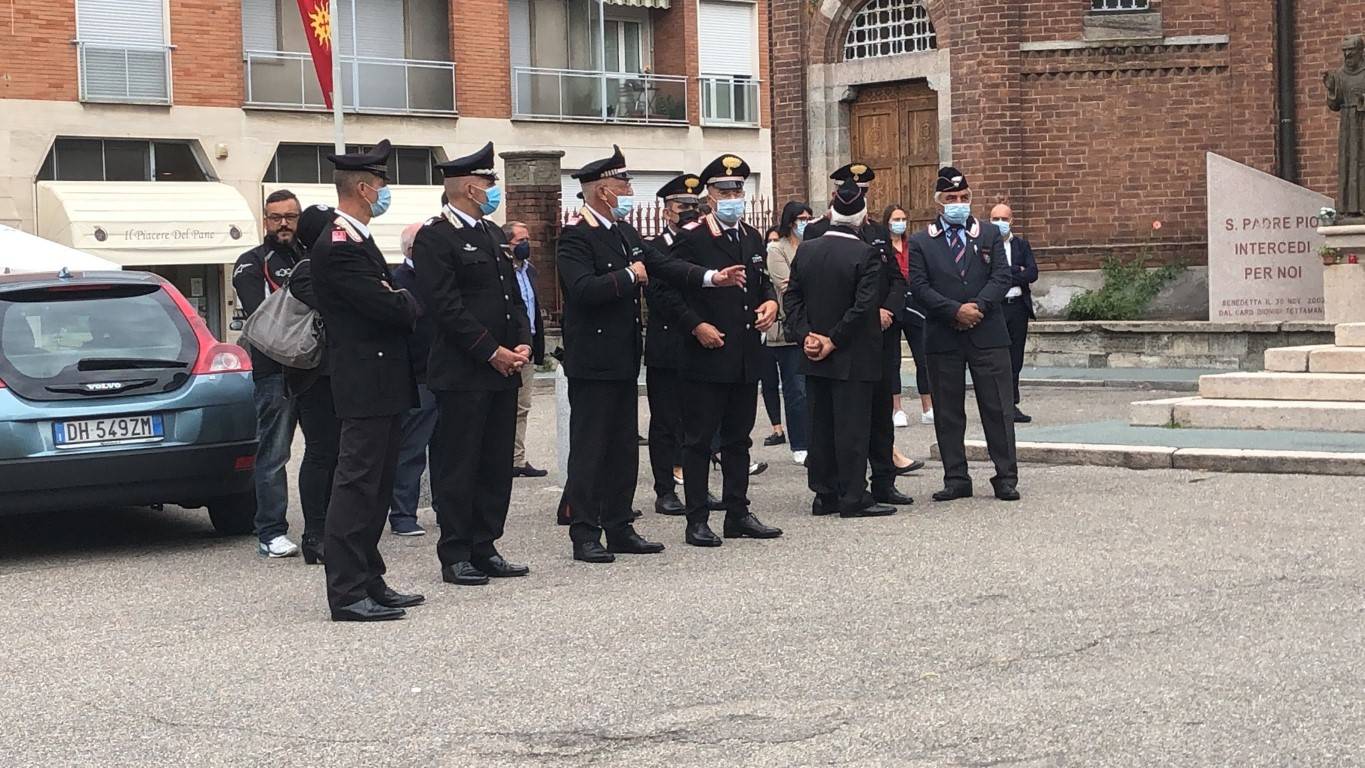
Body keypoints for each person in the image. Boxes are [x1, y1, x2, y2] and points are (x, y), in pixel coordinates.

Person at [556, 146, 744, 562]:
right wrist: (626, 275)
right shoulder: (576, 234)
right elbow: (583, 290)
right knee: (591, 447)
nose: (628, 190)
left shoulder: (622, 231)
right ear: (604, 191)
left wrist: (713, 277)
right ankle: (585, 531)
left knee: (623, 446)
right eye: (623, 184)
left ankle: (619, 526)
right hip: (593, 360)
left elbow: (664, 265)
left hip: (623, 357)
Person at [310, 139, 426, 621]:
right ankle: (346, 590)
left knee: (376, 486)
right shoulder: (339, 244)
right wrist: (399, 298)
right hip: (363, 381)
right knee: (356, 485)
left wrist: (396, 296)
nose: (385, 192)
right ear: (363, 187)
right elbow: (390, 306)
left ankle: (369, 576)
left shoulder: (358, 239)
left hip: (383, 379)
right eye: (381, 184)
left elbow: (394, 297)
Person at [413, 141, 532, 587]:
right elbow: (445, 308)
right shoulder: (435, 236)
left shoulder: (492, 233)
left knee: (494, 463)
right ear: (468, 187)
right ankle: (456, 550)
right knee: (458, 464)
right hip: (464, 372)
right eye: (488, 183)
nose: (492, 191)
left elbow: (511, 298)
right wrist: (491, 351)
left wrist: (522, 342)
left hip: (504, 369)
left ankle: (486, 544)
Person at [667, 153, 784, 547]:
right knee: (699, 439)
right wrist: (695, 325)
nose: (733, 195)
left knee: (739, 438)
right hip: (705, 352)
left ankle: (738, 512)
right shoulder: (692, 237)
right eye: (724, 190)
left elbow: (761, 280)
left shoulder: (750, 236)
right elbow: (665, 291)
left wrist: (770, 302)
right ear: (709, 196)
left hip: (745, 353)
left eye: (738, 189)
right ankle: (697, 518)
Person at [907, 167, 1019, 503]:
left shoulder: (988, 234)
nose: (958, 203)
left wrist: (976, 307)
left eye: (963, 198)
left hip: (987, 332)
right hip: (944, 333)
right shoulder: (921, 241)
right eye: (951, 199)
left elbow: (1002, 277)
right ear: (939, 203)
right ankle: (956, 477)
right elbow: (919, 285)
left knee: (998, 408)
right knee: (947, 410)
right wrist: (954, 310)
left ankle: (1006, 477)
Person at [784, 180, 895, 518]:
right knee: (852, 427)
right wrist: (833, 339)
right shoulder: (866, 254)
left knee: (821, 426)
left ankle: (823, 493)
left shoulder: (807, 249)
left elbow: (792, 297)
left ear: (831, 213)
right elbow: (864, 307)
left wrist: (807, 335)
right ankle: (852, 496)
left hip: (814, 352)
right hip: (851, 354)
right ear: (862, 218)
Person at [811, 163, 915, 506]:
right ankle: (836, 487)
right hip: (835, 342)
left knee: (879, 414)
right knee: (832, 418)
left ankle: (883, 479)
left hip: (876, 338)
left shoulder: (877, 233)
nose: (860, 199)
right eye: (854, 193)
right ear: (837, 195)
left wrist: (887, 310)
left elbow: (897, 281)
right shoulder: (817, 234)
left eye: (865, 194)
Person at [233, 189, 302, 558]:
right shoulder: (250, 262)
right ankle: (271, 530)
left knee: (325, 451)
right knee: (274, 454)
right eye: (276, 217)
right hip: (274, 372)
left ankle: (321, 526)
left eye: (290, 216)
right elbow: (265, 315)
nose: (284, 224)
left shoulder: (310, 255)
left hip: (316, 369)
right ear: (265, 220)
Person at [282, 204, 342, 566]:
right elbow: (338, 309)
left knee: (338, 453)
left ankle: (334, 527)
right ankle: (314, 533)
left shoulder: (325, 267)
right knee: (321, 452)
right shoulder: (307, 271)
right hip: (314, 375)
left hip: (336, 374)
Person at [643, 173, 702, 516]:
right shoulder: (655, 247)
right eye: (683, 206)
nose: (689, 212)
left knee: (698, 421)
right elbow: (658, 295)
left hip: (701, 345)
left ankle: (697, 486)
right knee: (665, 422)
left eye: (695, 206)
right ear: (667, 211)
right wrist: (693, 323)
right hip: (668, 343)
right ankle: (665, 489)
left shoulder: (703, 243)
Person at [387, 222, 435, 537]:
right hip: (418, 375)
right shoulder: (400, 280)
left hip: (446, 373)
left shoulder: (439, 276)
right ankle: (403, 514)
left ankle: (449, 509)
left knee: (449, 448)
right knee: (412, 450)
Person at [764, 200, 813, 465]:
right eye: (800, 218)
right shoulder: (776, 249)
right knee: (796, 389)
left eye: (808, 217)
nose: (804, 222)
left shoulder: (811, 246)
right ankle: (800, 442)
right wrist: (805, 281)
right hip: (787, 328)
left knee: (811, 388)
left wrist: (800, 281)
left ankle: (814, 437)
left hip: (813, 323)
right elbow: (785, 286)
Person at [506, 220, 549, 478]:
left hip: (529, 345)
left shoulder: (529, 270)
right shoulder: (503, 270)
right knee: (507, 408)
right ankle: (504, 457)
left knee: (523, 407)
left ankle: (517, 459)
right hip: (509, 346)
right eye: (519, 241)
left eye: (527, 240)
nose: (525, 245)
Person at [989, 203, 1039, 423]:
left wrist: (1008, 274)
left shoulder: (1021, 245)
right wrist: (1015, 270)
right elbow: (989, 274)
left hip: (1017, 306)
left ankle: (1012, 404)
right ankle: (996, 404)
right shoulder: (986, 245)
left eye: (1004, 218)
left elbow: (1032, 273)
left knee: (1015, 358)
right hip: (996, 307)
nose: (1000, 223)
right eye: (995, 218)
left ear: (1012, 221)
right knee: (997, 357)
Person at [884, 204, 934, 425]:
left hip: (915, 304)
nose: (900, 222)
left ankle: (928, 406)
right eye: (896, 218)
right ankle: (896, 409)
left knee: (922, 357)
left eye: (903, 218)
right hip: (892, 304)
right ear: (887, 222)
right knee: (892, 359)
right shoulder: (883, 248)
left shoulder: (912, 245)